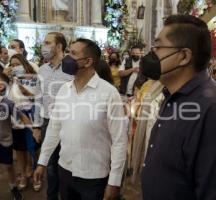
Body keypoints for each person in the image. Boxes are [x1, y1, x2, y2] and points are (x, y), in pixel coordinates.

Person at [139, 14, 216, 199]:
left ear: (183, 56)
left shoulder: (213, 109)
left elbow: (214, 191)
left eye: (158, 47)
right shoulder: (172, 95)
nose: (152, 54)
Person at [34, 38, 128, 200]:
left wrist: (114, 182)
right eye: (68, 52)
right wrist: (42, 161)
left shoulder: (109, 93)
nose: (66, 57)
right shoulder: (64, 90)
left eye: (73, 53)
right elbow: (54, 128)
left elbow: (119, 141)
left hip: (94, 175)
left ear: (88, 61)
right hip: (65, 168)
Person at [0, 71, 38, 200]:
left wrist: (34, 130)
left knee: (8, 166)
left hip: (5, 137)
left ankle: (13, 186)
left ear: (1, 87)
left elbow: (22, 117)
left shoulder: (8, 103)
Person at [34, 32, 73, 200]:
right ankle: (51, 197)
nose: (44, 46)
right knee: (49, 165)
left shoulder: (71, 69)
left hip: (67, 123)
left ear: (59, 47)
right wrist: (36, 126)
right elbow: (37, 98)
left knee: (66, 164)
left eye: (47, 43)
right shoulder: (42, 70)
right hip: (47, 121)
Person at [8, 54, 43, 191]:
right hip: (14, 119)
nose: (14, 67)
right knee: (19, 149)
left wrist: (24, 89)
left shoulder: (33, 78)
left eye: (17, 64)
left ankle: (36, 175)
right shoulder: (8, 80)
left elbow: (38, 98)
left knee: (32, 148)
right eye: (12, 65)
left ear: (24, 64)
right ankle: (23, 175)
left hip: (31, 117)